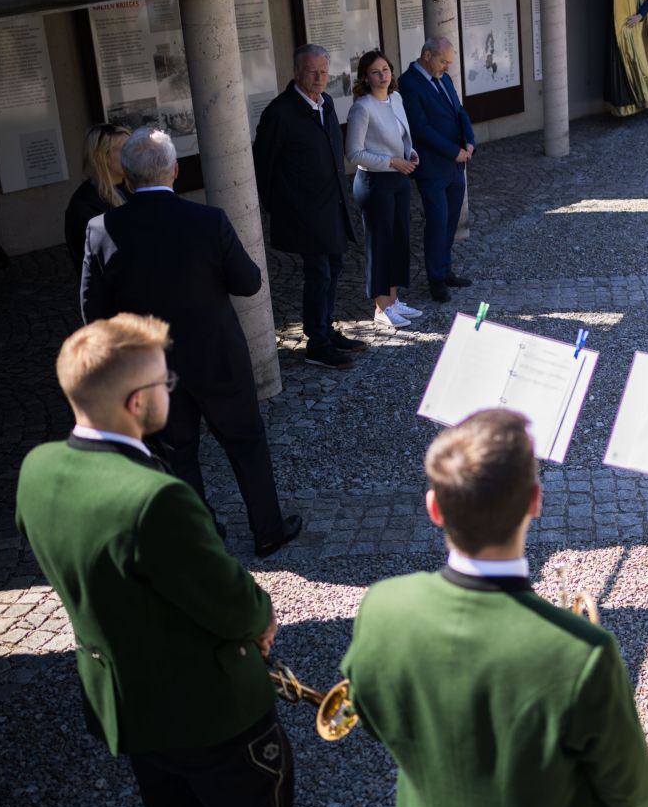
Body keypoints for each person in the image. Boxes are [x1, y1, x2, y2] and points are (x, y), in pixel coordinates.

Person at [18, 315, 294, 807]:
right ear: (138, 402)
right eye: (166, 380)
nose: (173, 386)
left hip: (130, 706)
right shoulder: (155, 498)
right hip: (211, 712)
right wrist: (263, 614)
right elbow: (233, 605)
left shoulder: (37, 469)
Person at [341, 409, 648, 807]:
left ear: (434, 508)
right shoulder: (582, 654)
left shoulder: (381, 608)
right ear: (535, 502)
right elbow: (632, 798)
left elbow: (374, 711)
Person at [84, 127, 303, 556]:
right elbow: (249, 282)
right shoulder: (208, 221)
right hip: (217, 357)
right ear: (176, 171)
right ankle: (268, 529)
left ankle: (200, 537)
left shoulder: (100, 229)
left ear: (125, 178)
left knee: (176, 455)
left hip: (151, 368)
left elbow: (93, 314)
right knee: (245, 443)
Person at [253, 42, 360, 366]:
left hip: (331, 206)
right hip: (303, 211)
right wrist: (279, 206)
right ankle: (317, 343)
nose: (319, 77)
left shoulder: (325, 103)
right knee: (320, 272)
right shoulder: (280, 112)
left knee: (337, 265)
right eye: (312, 72)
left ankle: (326, 328)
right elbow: (263, 165)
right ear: (297, 72)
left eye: (324, 71)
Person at [397, 37, 477, 303]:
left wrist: (469, 140)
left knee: (451, 221)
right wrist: (453, 151)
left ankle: (445, 270)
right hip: (432, 167)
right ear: (427, 55)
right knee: (437, 222)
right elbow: (420, 128)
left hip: (456, 164)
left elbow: (459, 112)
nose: (446, 67)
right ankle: (435, 280)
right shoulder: (408, 83)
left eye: (448, 63)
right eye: (443, 61)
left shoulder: (443, 78)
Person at [345, 49, 421, 330]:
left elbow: (403, 136)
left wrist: (411, 154)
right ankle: (380, 308)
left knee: (399, 239)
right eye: (375, 72)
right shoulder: (362, 107)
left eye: (386, 69)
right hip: (375, 182)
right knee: (379, 244)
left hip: (399, 178)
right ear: (365, 77)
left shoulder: (396, 98)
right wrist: (392, 161)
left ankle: (393, 299)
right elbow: (353, 153)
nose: (382, 76)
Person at [64, 121, 130, 272]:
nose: (134, 154)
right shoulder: (85, 205)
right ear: (103, 157)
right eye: (125, 150)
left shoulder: (132, 188)